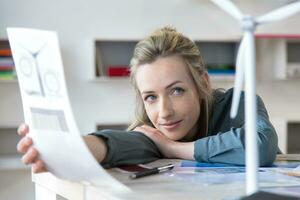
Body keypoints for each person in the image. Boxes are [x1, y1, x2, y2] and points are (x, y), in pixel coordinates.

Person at [17, 26, 279, 173]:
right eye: (151, 97)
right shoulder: (154, 134)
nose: (164, 112)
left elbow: (261, 146)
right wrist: (66, 146)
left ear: (203, 84)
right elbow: (116, 145)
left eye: (176, 90)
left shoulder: (237, 104)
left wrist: (173, 149)